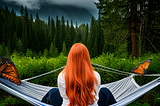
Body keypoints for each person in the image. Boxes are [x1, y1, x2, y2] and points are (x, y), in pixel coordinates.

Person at [42, 43, 116, 106]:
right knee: (105, 91)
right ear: (87, 57)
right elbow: (95, 94)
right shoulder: (96, 75)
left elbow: (63, 95)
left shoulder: (62, 75)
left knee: (53, 91)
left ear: (70, 58)